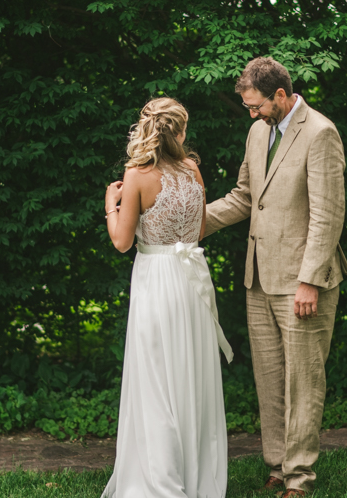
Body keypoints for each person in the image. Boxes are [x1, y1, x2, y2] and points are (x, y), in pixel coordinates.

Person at [204, 58, 347, 497]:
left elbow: (328, 215)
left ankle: (300, 477)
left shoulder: (321, 133)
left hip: (302, 281)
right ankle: (276, 465)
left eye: (256, 105)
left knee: (302, 380)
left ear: (282, 96)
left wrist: (309, 279)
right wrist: (193, 222)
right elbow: (244, 197)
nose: (251, 113)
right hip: (259, 277)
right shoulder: (257, 132)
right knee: (270, 378)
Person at [102, 97, 233, 498]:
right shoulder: (193, 169)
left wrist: (111, 204)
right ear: (179, 131)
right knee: (190, 375)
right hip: (190, 281)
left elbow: (123, 242)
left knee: (156, 379)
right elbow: (196, 230)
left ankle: (158, 482)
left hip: (156, 281)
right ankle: (197, 478)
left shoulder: (136, 175)